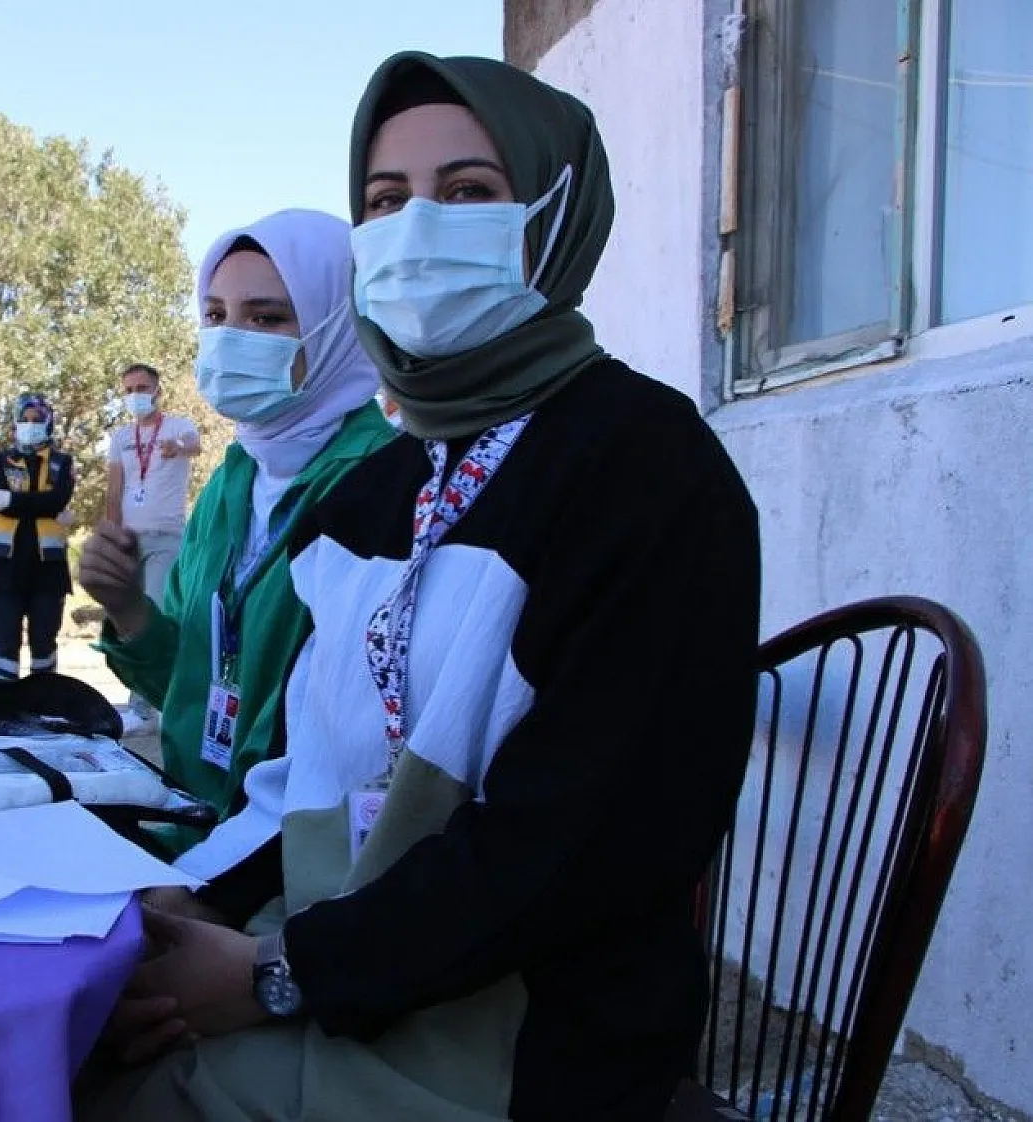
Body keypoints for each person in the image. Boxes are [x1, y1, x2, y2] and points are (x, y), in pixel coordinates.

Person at [78, 53, 761, 1122]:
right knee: (62, 1040)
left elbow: (578, 847)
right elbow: (298, 778)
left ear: (557, 214)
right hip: (345, 973)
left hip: (516, 1048)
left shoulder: (647, 471)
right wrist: (185, 912)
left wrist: (274, 973)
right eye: (386, 201)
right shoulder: (374, 494)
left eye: (469, 194)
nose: (414, 230)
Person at [79, 208, 396, 849]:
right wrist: (129, 608)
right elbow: (190, 684)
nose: (231, 339)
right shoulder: (232, 480)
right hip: (195, 831)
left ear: (341, 326)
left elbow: (358, 741)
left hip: (290, 860)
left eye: (268, 317)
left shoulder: (382, 484)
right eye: (216, 316)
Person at [104, 362, 203, 734]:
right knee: (129, 620)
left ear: (158, 390)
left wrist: (175, 447)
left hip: (166, 536)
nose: (135, 395)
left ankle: (159, 704)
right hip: (130, 539)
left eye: (142, 387)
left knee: (157, 611)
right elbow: (114, 489)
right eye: (128, 389)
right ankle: (141, 706)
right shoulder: (120, 438)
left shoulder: (178, 427)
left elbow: (195, 446)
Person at [0, 393, 76, 679]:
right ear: (15, 422)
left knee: (44, 644)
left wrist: (13, 500)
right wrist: (44, 506)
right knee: (4, 643)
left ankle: (42, 708)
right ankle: (3, 708)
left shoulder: (63, 461)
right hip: (3, 569)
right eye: (24, 419)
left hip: (48, 569)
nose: (30, 424)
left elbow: (58, 499)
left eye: (37, 419)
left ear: (49, 423)